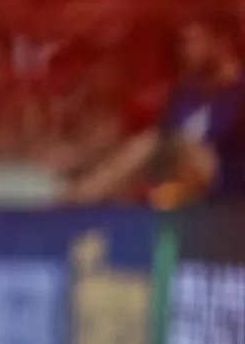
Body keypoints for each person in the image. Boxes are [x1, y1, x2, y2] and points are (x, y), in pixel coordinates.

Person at [66, 11, 245, 204]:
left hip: (221, 187)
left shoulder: (240, 94)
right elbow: (161, 144)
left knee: (151, 143)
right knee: (124, 146)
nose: (185, 51)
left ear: (221, 43)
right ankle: (78, 197)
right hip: (173, 182)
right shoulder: (186, 94)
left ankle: (77, 201)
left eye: (193, 42)